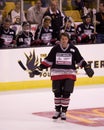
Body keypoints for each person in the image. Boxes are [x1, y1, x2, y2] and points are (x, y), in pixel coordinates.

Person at [29, 32, 94, 120]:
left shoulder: (73, 49)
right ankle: (57, 110)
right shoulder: (55, 49)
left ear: (68, 40)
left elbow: (80, 60)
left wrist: (87, 68)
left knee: (67, 92)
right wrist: (39, 69)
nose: (64, 41)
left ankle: (63, 111)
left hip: (69, 74)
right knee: (57, 93)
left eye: (65, 39)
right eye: (62, 39)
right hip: (57, 74)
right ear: (60, 40)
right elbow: (48, 61)